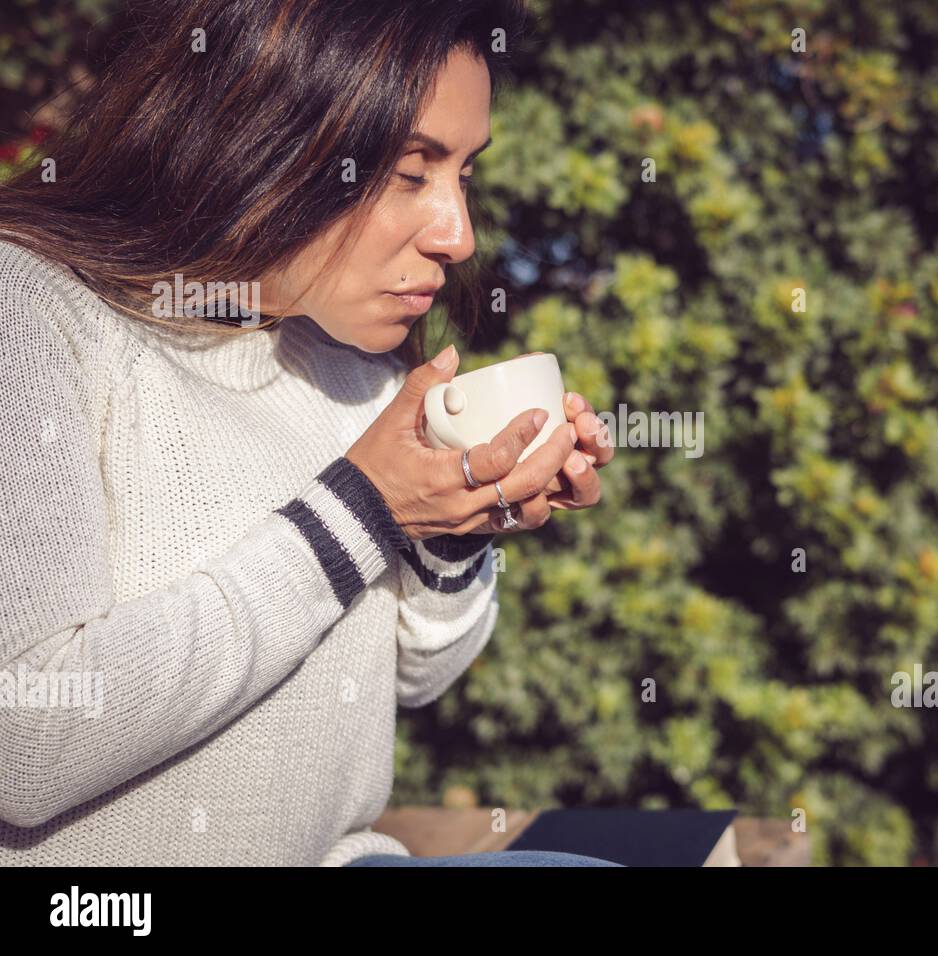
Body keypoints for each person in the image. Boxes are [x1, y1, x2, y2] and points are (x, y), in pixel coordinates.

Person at [0, 0, 618, 867]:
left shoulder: (348, 361)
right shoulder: (27, 310)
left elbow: (415, 677)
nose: (458, 234)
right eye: (411, 174)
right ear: (263, 137)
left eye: (464, 176)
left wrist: (457, 527)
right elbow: (25, 742)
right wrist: (364, 510)